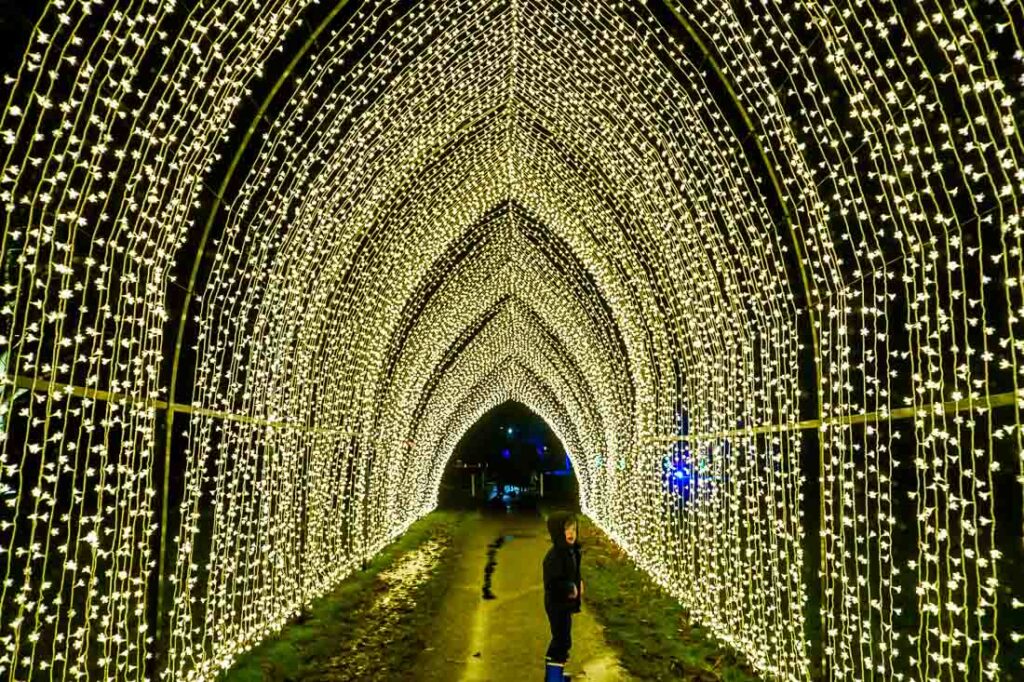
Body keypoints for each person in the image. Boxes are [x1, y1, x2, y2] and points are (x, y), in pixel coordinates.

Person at [543, 511, 583, 681]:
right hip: (556, 604)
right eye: (567, 529)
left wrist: (578, 582)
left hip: (564, 604)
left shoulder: (571, 551)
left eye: (574, 529)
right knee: (562, 641)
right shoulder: (554, 557)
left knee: (563, 639)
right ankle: (553, 677)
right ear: (558, 532)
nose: (571, 533)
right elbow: (553, 583)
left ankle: (556, 673)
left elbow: (573, 572)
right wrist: (569, 587)